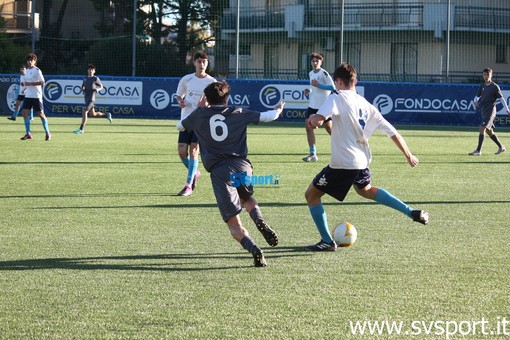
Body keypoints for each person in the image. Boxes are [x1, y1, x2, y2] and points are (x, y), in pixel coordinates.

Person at [304, 62, 429, 251]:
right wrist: (408, 154)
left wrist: (312, 120)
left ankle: (327, 241)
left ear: (337, 81)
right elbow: (392, 132)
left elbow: (318, 120)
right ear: (355, 81)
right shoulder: (366, 104)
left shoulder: (336, 97)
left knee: (311, 195)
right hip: (361, 161)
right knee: (366, 190)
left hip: (342, 164)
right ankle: (411, 211)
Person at [177, 80, 285, 267]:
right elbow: (269, 116)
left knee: (234, 224)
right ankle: (259, 220)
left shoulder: (200, 115)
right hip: (242, 166)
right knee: (247, 198)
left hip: (220, 172)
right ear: (227, 98)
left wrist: (200, 109)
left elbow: (179, 126)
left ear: (207, 99)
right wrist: (278, 109)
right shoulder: (238, 112)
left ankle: (254, 249)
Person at [175, 51, 216, 196]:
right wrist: (180, 101)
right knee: (181, 152)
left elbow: (216, 101)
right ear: (194, 63)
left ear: (207, 63)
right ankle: (195, 172)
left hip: (202, 122)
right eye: (199, 61)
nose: (201, 64)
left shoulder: (212, 82)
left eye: (204, 61)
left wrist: (206, 105)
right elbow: (179, 95)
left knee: (194, 151)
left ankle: (188, 186)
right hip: (186, 121)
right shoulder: (187, 79)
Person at [302, 52, 336, 162]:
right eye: (313, 61)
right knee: (308, 128)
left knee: (330, 130)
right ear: (311, 62)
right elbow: (314, 88)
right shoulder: (311, 73)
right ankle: (313, 154)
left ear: (321, 62)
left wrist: (319, 85)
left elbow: (333, 87)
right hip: (313, 105)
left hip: (324, 106)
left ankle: (343, 149)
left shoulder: (324, 73)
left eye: (317, 61)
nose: (315, 62)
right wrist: (309, 90)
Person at [469, 68, 510, 156]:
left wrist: (507, 109)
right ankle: (501, 147)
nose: (486, 76)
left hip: (491, 111)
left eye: (488, 75)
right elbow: (476, 97)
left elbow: (501, 99)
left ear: (491, 75)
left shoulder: (494, 86)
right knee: (489, 131)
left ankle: (478, 150)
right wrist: (475, 102)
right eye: (484, 74)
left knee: (482, 128)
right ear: (482, 75)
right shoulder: (482, 86)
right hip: (484, 110)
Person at [19, 53, 51, 141]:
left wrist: (29, 84)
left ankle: (47, 132)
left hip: (37, 96)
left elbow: (42, 82)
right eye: (28, 60)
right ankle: (28, 133)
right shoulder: (27, 71)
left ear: (34, 61)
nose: (29, 62)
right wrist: (25, 87)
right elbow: (27, 82)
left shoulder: (37, 70)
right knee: (24, 113)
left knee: (41, 114)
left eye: (31, 60)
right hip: (28, 96)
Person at [73, 64, 112, 134]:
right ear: (87, 70)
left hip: (91, 99)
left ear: (94, 71)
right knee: (93, 114)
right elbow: (82, 87)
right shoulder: (85, 78)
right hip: (86, 98)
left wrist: (98, 89)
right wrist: (82, 89)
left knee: (85, 112)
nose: (90, 71)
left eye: (92, 70)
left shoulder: (95, 78)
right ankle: (106, 115)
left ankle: (81, 129)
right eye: (89, 69)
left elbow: (102, 86)